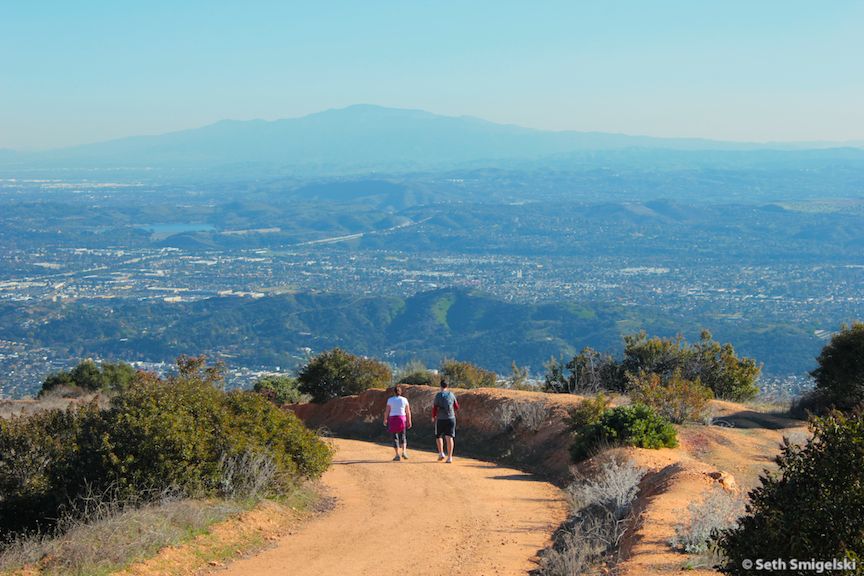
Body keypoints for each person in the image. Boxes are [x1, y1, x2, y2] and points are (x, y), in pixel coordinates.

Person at [431, 379, 459, 463]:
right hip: (451, 418)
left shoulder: (438, 395)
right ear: (447, 386)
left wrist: (433, 416)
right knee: (449, 437)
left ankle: (441, 453)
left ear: (440, 386)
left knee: (438, 436)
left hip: (441, 418)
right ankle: (450, 457)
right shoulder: (451, 394)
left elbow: (435, 407)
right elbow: (456, 406)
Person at [384, 385, 412, 461]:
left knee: (395, 437)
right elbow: (408, 411)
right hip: (402, 418)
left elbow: (387, 411)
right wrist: (409, 421)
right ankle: (404, 452)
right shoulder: (404, 400)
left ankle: (397, 455)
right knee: (403, 435)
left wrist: (385, 419)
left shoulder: (390, 400)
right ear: (400, 392)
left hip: (393, 419)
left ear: (394, 392)